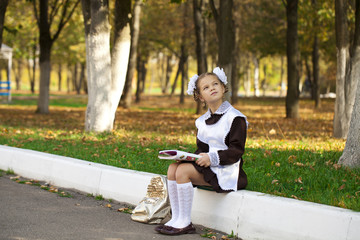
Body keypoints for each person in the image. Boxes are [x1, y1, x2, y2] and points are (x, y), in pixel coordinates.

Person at [155, 67, 248, 235]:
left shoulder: (235, 118)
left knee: (183, 171)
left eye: (215, 84)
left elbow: (237, 150)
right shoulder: (202, 121)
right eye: (206, 87)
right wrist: (187, 158)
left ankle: (185, 222)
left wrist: (212, 158)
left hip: (227, 171)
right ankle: (176, 218)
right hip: (210, 165)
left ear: (223, 87)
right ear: (200, 97)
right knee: (173, 168)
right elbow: (202, 149)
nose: (212, 88)